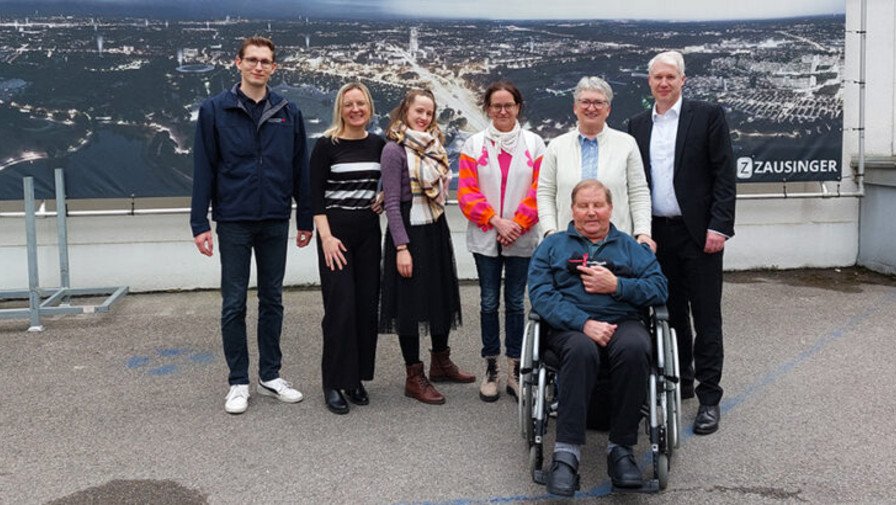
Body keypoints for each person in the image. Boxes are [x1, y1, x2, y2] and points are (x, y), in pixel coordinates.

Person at [190, 36, 312, 415]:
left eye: (266, 61)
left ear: (274, 68)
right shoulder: (215, 110)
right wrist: (200, 222)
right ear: (238, 63)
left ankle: (270, 375)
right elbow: (204, 169)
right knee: (233, 303)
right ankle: (238, 381)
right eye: (252, 60)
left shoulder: (288, 112)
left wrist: (304, 217)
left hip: (275, 218)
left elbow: (299, 170)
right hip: (234, 220)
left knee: (273, 299)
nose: (259, 67)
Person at [528, 180, 668, 495]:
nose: (591, 212)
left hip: (623, 320)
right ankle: (566, 456)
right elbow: (540, 296)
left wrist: (617, 286)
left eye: (598, 205)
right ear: (572, 209)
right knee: (580, 350)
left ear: (610, 208)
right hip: (570, 329)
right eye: (583, 206)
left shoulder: (631, 247)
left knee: (635, 347)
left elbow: (660, 287)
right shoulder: (553, 246)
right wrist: (583, 322)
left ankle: (621, 450)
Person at [626, 50, 736, 436]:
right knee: (669, 314)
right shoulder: (636, 125)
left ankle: (709, 399)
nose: (664, 83)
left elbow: (724, 174)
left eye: (671, 76)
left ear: (683, 80)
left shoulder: (707, 116)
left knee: (706, 316)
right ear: (649, 82)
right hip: (657, 235)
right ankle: (681, 379)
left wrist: (719, 226)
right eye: (657, 77)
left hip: (701, 233)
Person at [379, 88, 474, 405]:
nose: (423, 117)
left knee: (439, 294)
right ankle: (413, 376)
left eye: (429, 113)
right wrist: (401, 247)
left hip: (433, 226)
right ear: (406, 110)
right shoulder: (394, 150)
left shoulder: (435, 146)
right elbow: (391, 202)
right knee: (408, 303)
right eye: (418, 111)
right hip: (407, 230)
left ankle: (440, 362)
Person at [457, 80, 545, 403]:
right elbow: (467, 192)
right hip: (486, 235)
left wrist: (516, 225)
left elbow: (539, 192)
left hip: (521, 237)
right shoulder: (473, 145)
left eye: (509, 105)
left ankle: (515, 369)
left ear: (518, 107)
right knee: (488, 302)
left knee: (516, 303)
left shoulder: (535, 144)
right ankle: (491, 367)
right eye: (497, 106)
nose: (503, 111)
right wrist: (495, 221)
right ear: (488, 109)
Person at [310, 82, 386, 415]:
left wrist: (384, 196)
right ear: (340, 109)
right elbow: (313, 197)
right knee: (340, 309)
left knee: (366, 307)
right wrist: (325, 238)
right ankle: (332, 382)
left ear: (369, 108)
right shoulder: (327, 145)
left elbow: (390, 182)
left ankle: (355, 378)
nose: (355, 109)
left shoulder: (380, 145)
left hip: (369, 233)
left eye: (361, 104)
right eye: (348, 104)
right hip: (335, 236)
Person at [537, 77, 654, 251]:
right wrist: (550, 232)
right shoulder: (556, 146)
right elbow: (545, 193)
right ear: (575, 107)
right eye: (585, 102)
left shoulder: (627, 144)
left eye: (598, 102)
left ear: (608, 109)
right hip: (566, 243)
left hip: (617, 243)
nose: (591, 108)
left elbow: (638, 192)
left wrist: (643, 232)